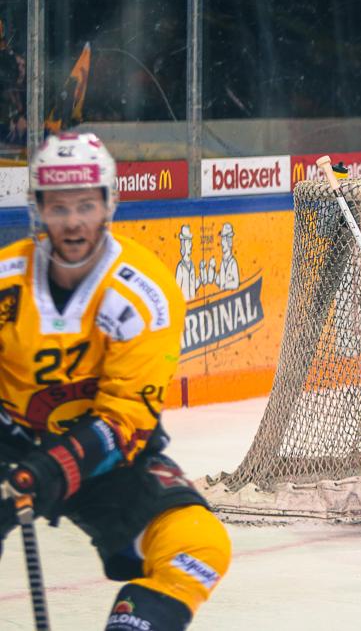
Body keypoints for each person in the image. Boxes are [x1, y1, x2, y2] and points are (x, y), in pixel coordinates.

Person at [0, 132, 230, 630]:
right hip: (9, 439)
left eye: (86, 205)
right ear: (39, 208)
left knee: (197, 546)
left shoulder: (143, 291)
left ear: (109, 204)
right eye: (59, 207)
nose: (73, 221)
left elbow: (127, 419)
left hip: (102, 455)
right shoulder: (5, 280)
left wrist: (50, 468)